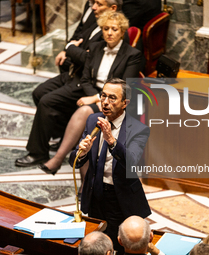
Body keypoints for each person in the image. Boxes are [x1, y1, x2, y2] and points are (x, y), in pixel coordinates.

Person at [15, 8, 140, 168]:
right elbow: (86, 79)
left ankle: (58, 159)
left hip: (112, 99)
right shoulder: (95, 47)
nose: (109, 33)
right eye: (106, 29)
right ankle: (38, 152)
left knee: (84, 110)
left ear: (122, 31)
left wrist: (97, 99)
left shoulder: (132, 55)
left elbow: (124, 87)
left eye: (114, 29)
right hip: (89, 91)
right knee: (46, 101)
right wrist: (93, 95)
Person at [69, 78, 151, 254]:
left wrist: (112, 141)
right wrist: (82, 152)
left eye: (112, 98)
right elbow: (73, 160)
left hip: (120, 197)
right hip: (95, 194)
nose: (105, 102)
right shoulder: (93, 120)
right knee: (96, 243)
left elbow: (132, 162)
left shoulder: (138, 128)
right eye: (103, 96)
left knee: (119, 244)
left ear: (124, 103)